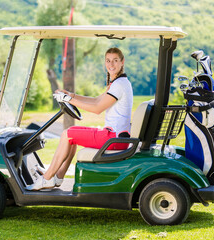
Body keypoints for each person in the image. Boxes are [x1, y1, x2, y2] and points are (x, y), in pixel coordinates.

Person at [26, 47, 133, 191]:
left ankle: (46, 178)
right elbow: (96, 100)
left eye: (115, 60)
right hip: (114, 136)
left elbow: (97, 109)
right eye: (108, 60)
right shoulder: (118, 83)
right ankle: (57, 177)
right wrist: (71, 95)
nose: (111, 64)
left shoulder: (119, 85)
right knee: (71, 134)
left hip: (113, 139)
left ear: (122, 62)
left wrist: (68, 99)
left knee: (67, 134)